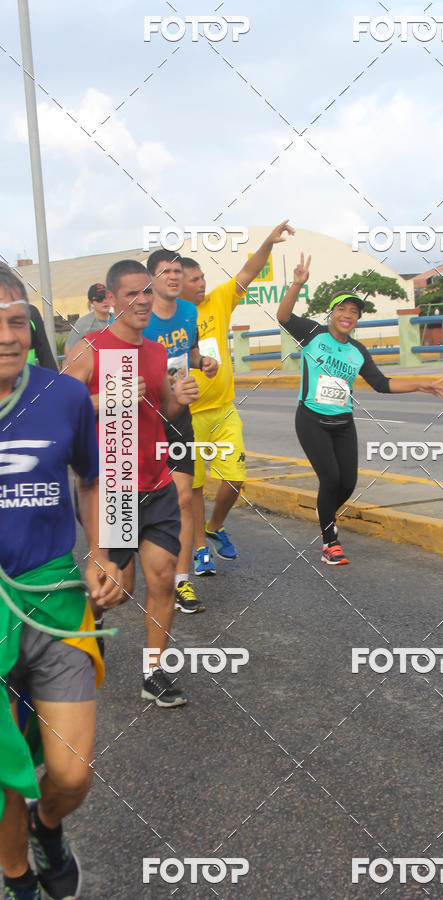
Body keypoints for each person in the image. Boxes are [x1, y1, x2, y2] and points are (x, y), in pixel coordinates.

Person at [0, 270, 122, 900]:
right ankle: (17, 876)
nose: (7, 336)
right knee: (6, 772)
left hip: (54, 603)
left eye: (17, 322)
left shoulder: (64, 397)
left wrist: (101, 551)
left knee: (71, 776)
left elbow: (93, 478)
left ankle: (51, 827)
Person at [66, 260, 200, 708]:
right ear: (113, 300)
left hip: (156, 481)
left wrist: (177, 401)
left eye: (147, 291)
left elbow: (162, 413)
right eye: (132, 294)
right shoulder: (92, 348)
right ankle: (91, 624)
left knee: (162, 577)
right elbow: (59, 407)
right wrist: (106, 398)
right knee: (117, 590)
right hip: (115, 483)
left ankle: (154, 672)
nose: (143, 300)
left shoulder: (157, 351)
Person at [277, 253, 443, 565]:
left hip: (343, 422)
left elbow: (382, 383)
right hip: (311, 419)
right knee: (329, 479)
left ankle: (325, 512)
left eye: (353, 312)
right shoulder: (313, 334)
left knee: (348, 483)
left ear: (356, 319)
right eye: (342, 309)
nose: (347, 315)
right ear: (332, 314)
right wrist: (297, 284)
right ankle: (330, 541)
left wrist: (420, 384)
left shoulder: (358, 351)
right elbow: (284, 317)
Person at [180, 219, 295, 576]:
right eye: (194, 280)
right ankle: (200, 548)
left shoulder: (219, 299)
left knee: (235, 478)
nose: (202, 284)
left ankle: (215, 526)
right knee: (195, 487)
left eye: (202, 278)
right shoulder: (172, 318)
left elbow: (249, 269)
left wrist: (268, 242)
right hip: (190, 416)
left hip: (224, 410)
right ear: (176, 284)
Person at [143, 249, 218, 613]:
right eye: (165, 271)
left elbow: (188, 351)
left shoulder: (189, 312)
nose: (173, 277)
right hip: (142, 419)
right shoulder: (139, 318)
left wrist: (201, 362)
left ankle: (181, 582)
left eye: (177, 270)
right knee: (132, 502)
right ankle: (121, 566)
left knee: (183, 498)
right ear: (151, 279)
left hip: (178, 417)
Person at [64, 283, 111, 353]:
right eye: (99, 299)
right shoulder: (83, 323)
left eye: (107, 297)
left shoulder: (120, 319)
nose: (104, 301)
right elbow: (69, 351)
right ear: (91, 303)